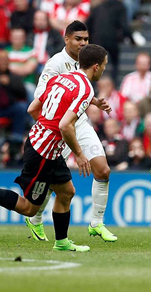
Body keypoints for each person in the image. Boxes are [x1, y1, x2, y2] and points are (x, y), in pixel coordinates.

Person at [0, 44, 109, 252]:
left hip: (45, 145)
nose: (105, 70)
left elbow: (32, 108)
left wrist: (46, 128)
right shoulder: (85, 88)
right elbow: (65, 125)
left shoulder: (63, 78)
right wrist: (79, 154)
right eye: (105, 66)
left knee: (67, 192)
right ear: (96, 67)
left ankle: (61, 242)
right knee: (28, 208)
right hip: (43, 153)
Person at [28, 21, 117, 243]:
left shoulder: (87, 62)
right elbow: (41, 98)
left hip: (80, 122)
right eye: (78, 39)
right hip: (59, 126)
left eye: (86, 39)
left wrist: (93, 101)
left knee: (103, 170)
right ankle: (36, 217)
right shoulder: (55, 64)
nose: (83, 43)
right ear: (66, 38)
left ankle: (96, 223)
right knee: (52, 178)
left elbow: (76, 92)